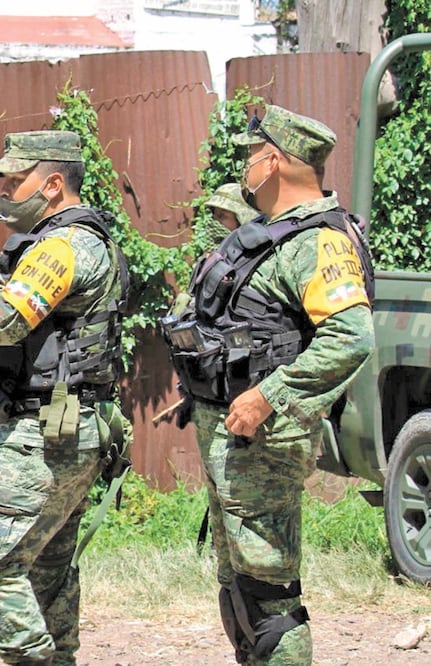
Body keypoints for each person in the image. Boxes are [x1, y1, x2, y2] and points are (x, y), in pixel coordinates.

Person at [162, 105, 375, 664]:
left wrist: (268, 395)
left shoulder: (317, 241)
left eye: (252, 157)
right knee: (239, 585)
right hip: (232, 438)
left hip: (264, 440)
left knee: (271, 598)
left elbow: (351, 337)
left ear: (274, 161)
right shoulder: (275, 236)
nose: (246, 169)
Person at [0, 130, 129, 666]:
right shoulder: (78, 240)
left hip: (47, 433)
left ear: (53, 184)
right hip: (68, 425)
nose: (4, 193)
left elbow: (1, 323)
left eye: (15, 180)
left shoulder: (61, 247)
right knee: (46, 569)